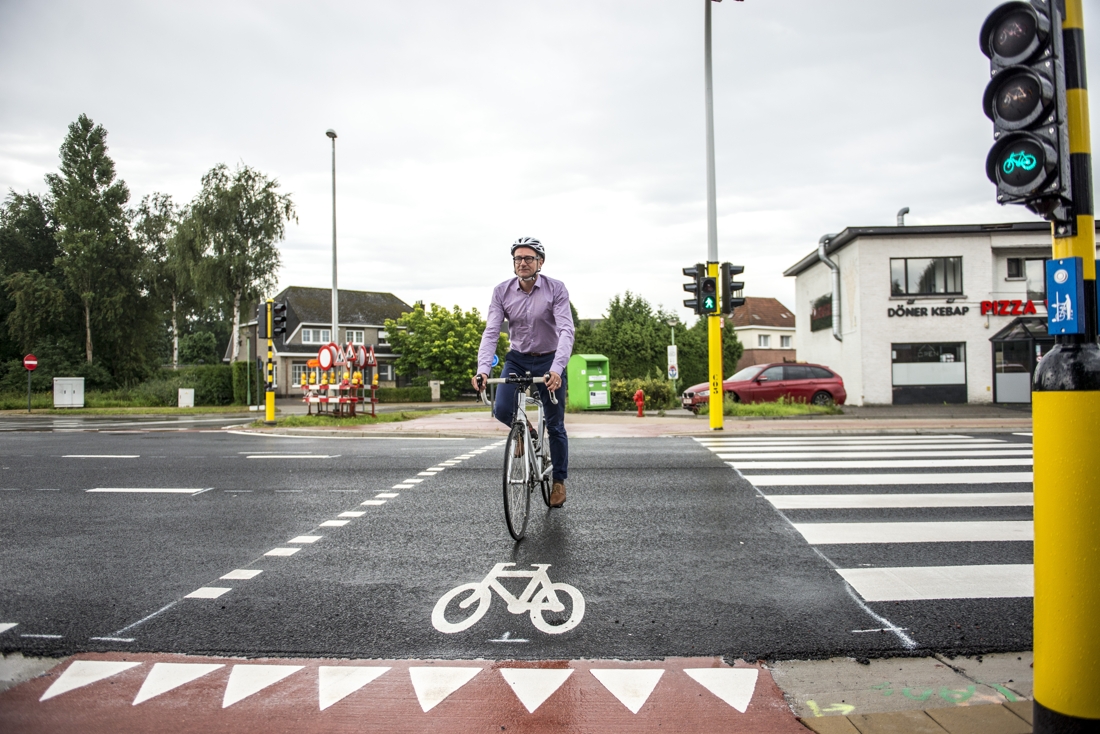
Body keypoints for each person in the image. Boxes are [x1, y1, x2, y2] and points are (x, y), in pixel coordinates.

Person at [472, 237, 574, 507]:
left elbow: (566, 330)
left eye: (529, 258)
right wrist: (482, 370)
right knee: (502, 408)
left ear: (540, 261)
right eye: (518, 258)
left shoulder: (556, 289)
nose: (523, 263)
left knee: (555, 425)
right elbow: (492, 331)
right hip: (517, 359)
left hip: (549, 359)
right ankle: (527, 432)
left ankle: (559, 482)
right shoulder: (501, 291)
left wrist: (557, 369)